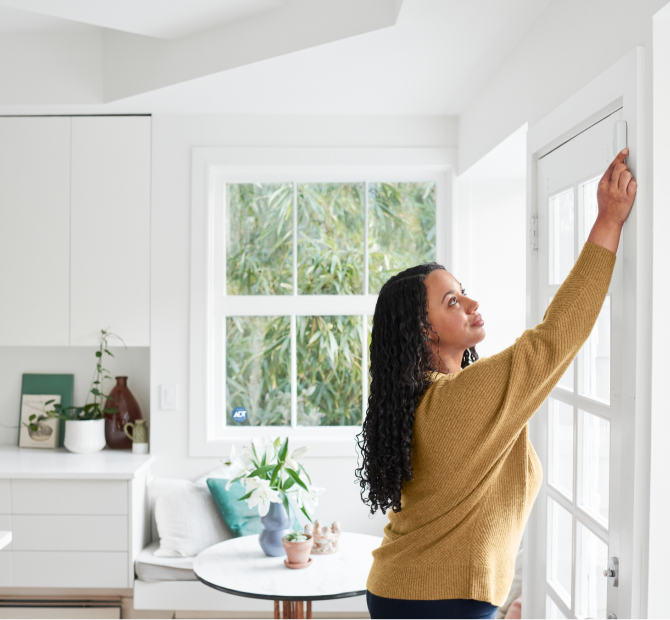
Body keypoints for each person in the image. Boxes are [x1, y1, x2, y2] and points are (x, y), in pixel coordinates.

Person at [355, 149, 637, 620]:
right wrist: (608, 221)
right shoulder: (453, 402)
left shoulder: (431, 396)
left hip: (418, 593)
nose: (471, 302)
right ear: (424, 331)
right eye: (452, 301)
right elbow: (553, 340)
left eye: (463, 290)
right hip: (438, 604)